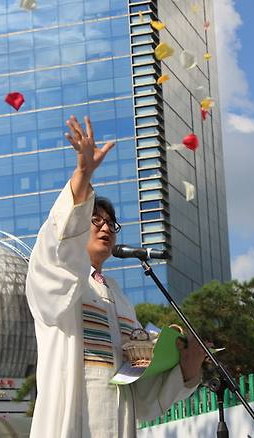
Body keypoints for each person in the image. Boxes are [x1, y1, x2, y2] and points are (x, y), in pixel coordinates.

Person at [26, 115, 205, 437]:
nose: (106, 227)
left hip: (119, 420)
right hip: (74, 413)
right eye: (95, 220)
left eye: (111, 222)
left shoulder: (119, 297)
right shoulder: (56, 276)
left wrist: (184, 368)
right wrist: (83, 174)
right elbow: (57, 245)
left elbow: (143, 399)